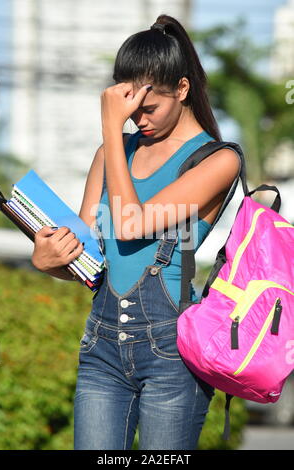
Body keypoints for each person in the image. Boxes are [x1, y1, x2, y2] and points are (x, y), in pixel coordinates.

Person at [31, 14, 241, 450]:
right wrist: (51, 262)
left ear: (182, 90)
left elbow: (130, 223)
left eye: (149, 108)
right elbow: (89, 259)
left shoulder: (217, 161)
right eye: (129, 111)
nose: (138, 121)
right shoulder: (111, 153)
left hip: (171, 355)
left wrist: (110, 127)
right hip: (100, 349)